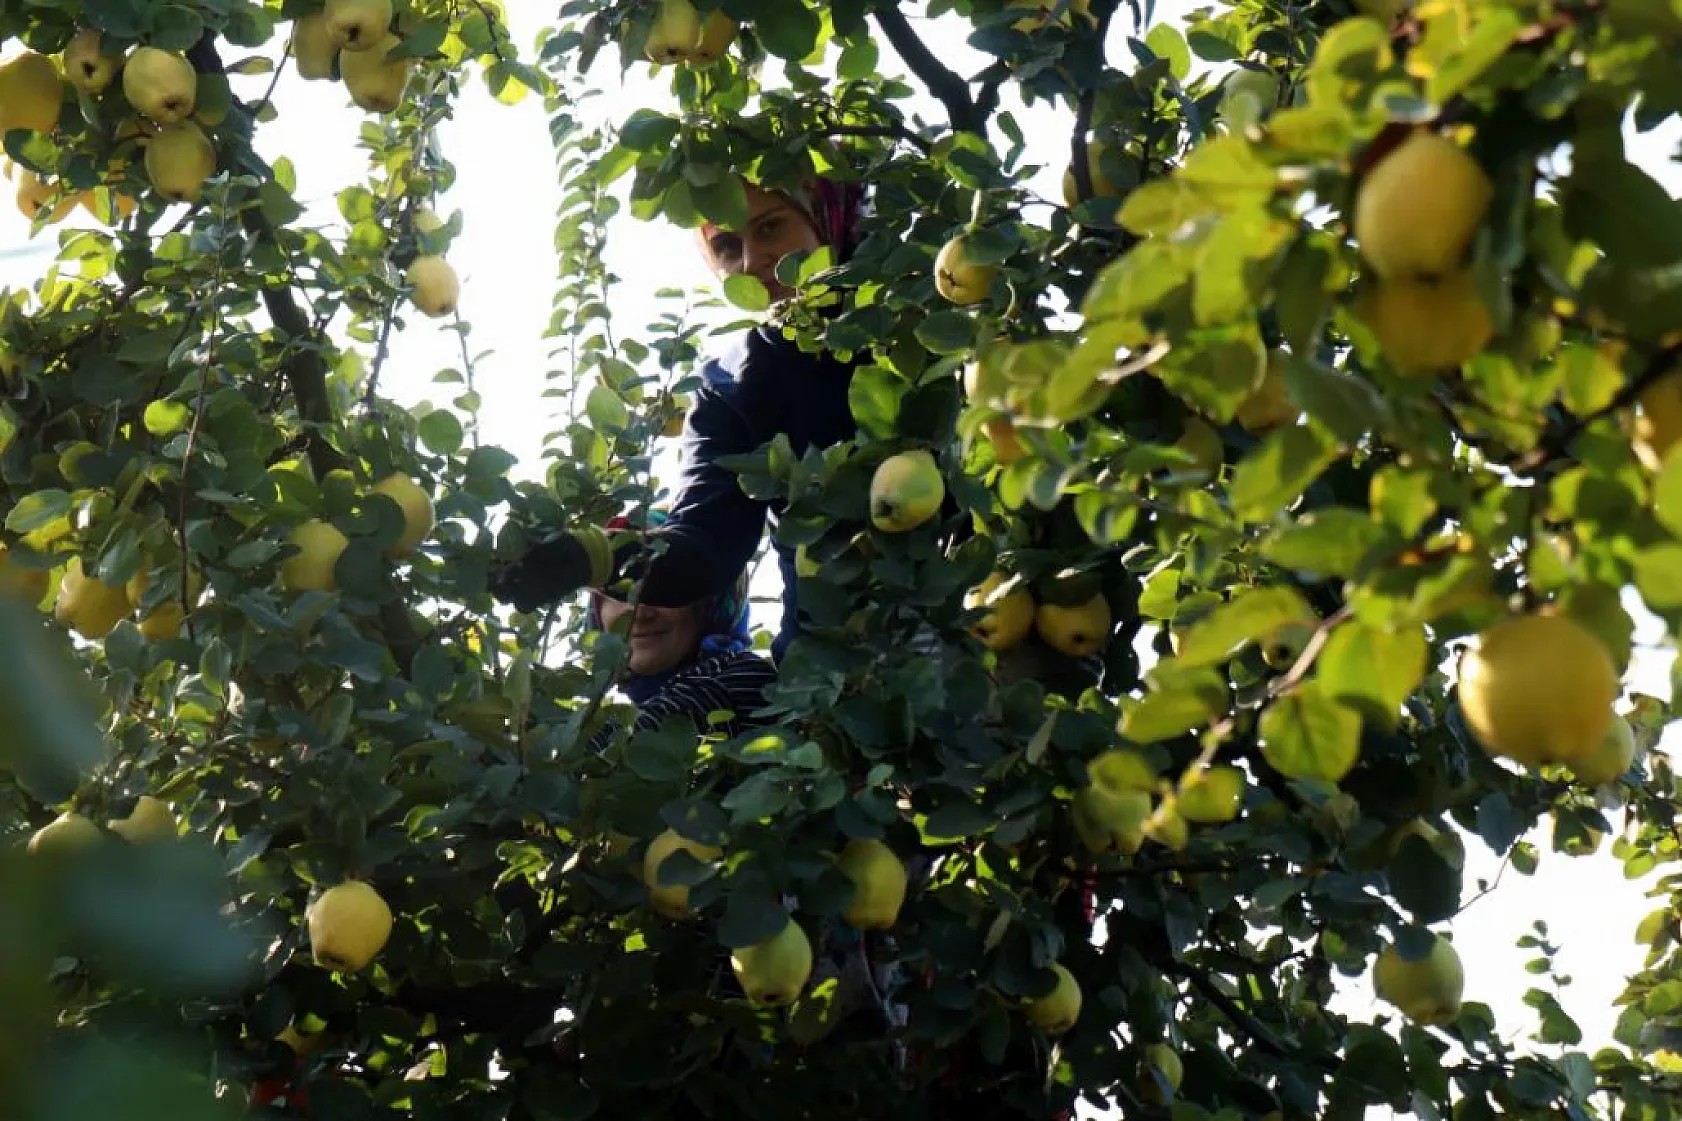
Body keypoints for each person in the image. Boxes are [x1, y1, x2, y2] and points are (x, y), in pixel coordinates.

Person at [490, 176, 869, 663]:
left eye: (771, 228)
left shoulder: (931, 314)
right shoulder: (733, 387)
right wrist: (590, 556)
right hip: (834, 674)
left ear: (827, 220)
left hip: (974, 620)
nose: (752, 263)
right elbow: (705, 545)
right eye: (729, 247)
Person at [581, 515, 777, 749]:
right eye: (620, 593)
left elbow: (614, 757)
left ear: (710, 603)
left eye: (663, 591)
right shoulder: (642, 705)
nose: (640, 613)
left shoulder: (737, 680)